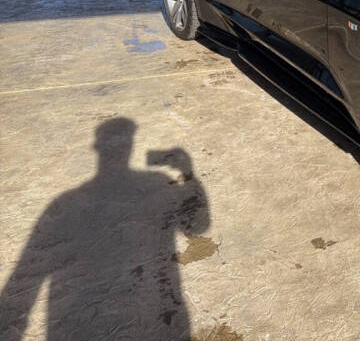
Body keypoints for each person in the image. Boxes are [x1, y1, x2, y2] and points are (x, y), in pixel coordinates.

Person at [0, 117, 210, 340]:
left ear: (97, 148)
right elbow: (198, 226)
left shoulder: (66, 202)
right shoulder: (156, 180)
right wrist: (187, 171)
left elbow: (26, 275)